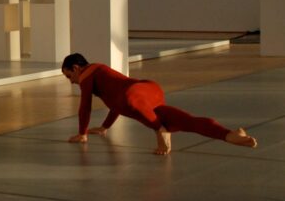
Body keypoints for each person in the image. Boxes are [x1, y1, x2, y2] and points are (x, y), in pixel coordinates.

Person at [61, 53, 257, 155]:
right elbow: (116, 103)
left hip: (135, 95)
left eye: (69, 76)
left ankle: (159, 129)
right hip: (149, 90)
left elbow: (85, 105)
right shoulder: (101, 74)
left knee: (134, 105)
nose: (71, 81)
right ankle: (230, 135)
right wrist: (105, 127)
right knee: (185, 120)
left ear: (77, 68)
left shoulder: (87, 76)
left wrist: (82, 133)